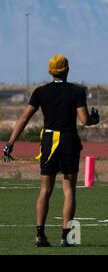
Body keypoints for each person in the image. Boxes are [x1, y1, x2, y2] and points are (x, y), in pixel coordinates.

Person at [2, 54, 100, 247]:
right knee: (69, 190)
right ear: (67, 70)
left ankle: (40, 235)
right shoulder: (77, 91)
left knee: (45, 189)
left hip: (48, 140)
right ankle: (66, 237)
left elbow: (23, 119)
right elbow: (84, 120)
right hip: (68, 141)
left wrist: (10, 142)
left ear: (50, 71)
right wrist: (95, 119)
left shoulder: (40, 92)